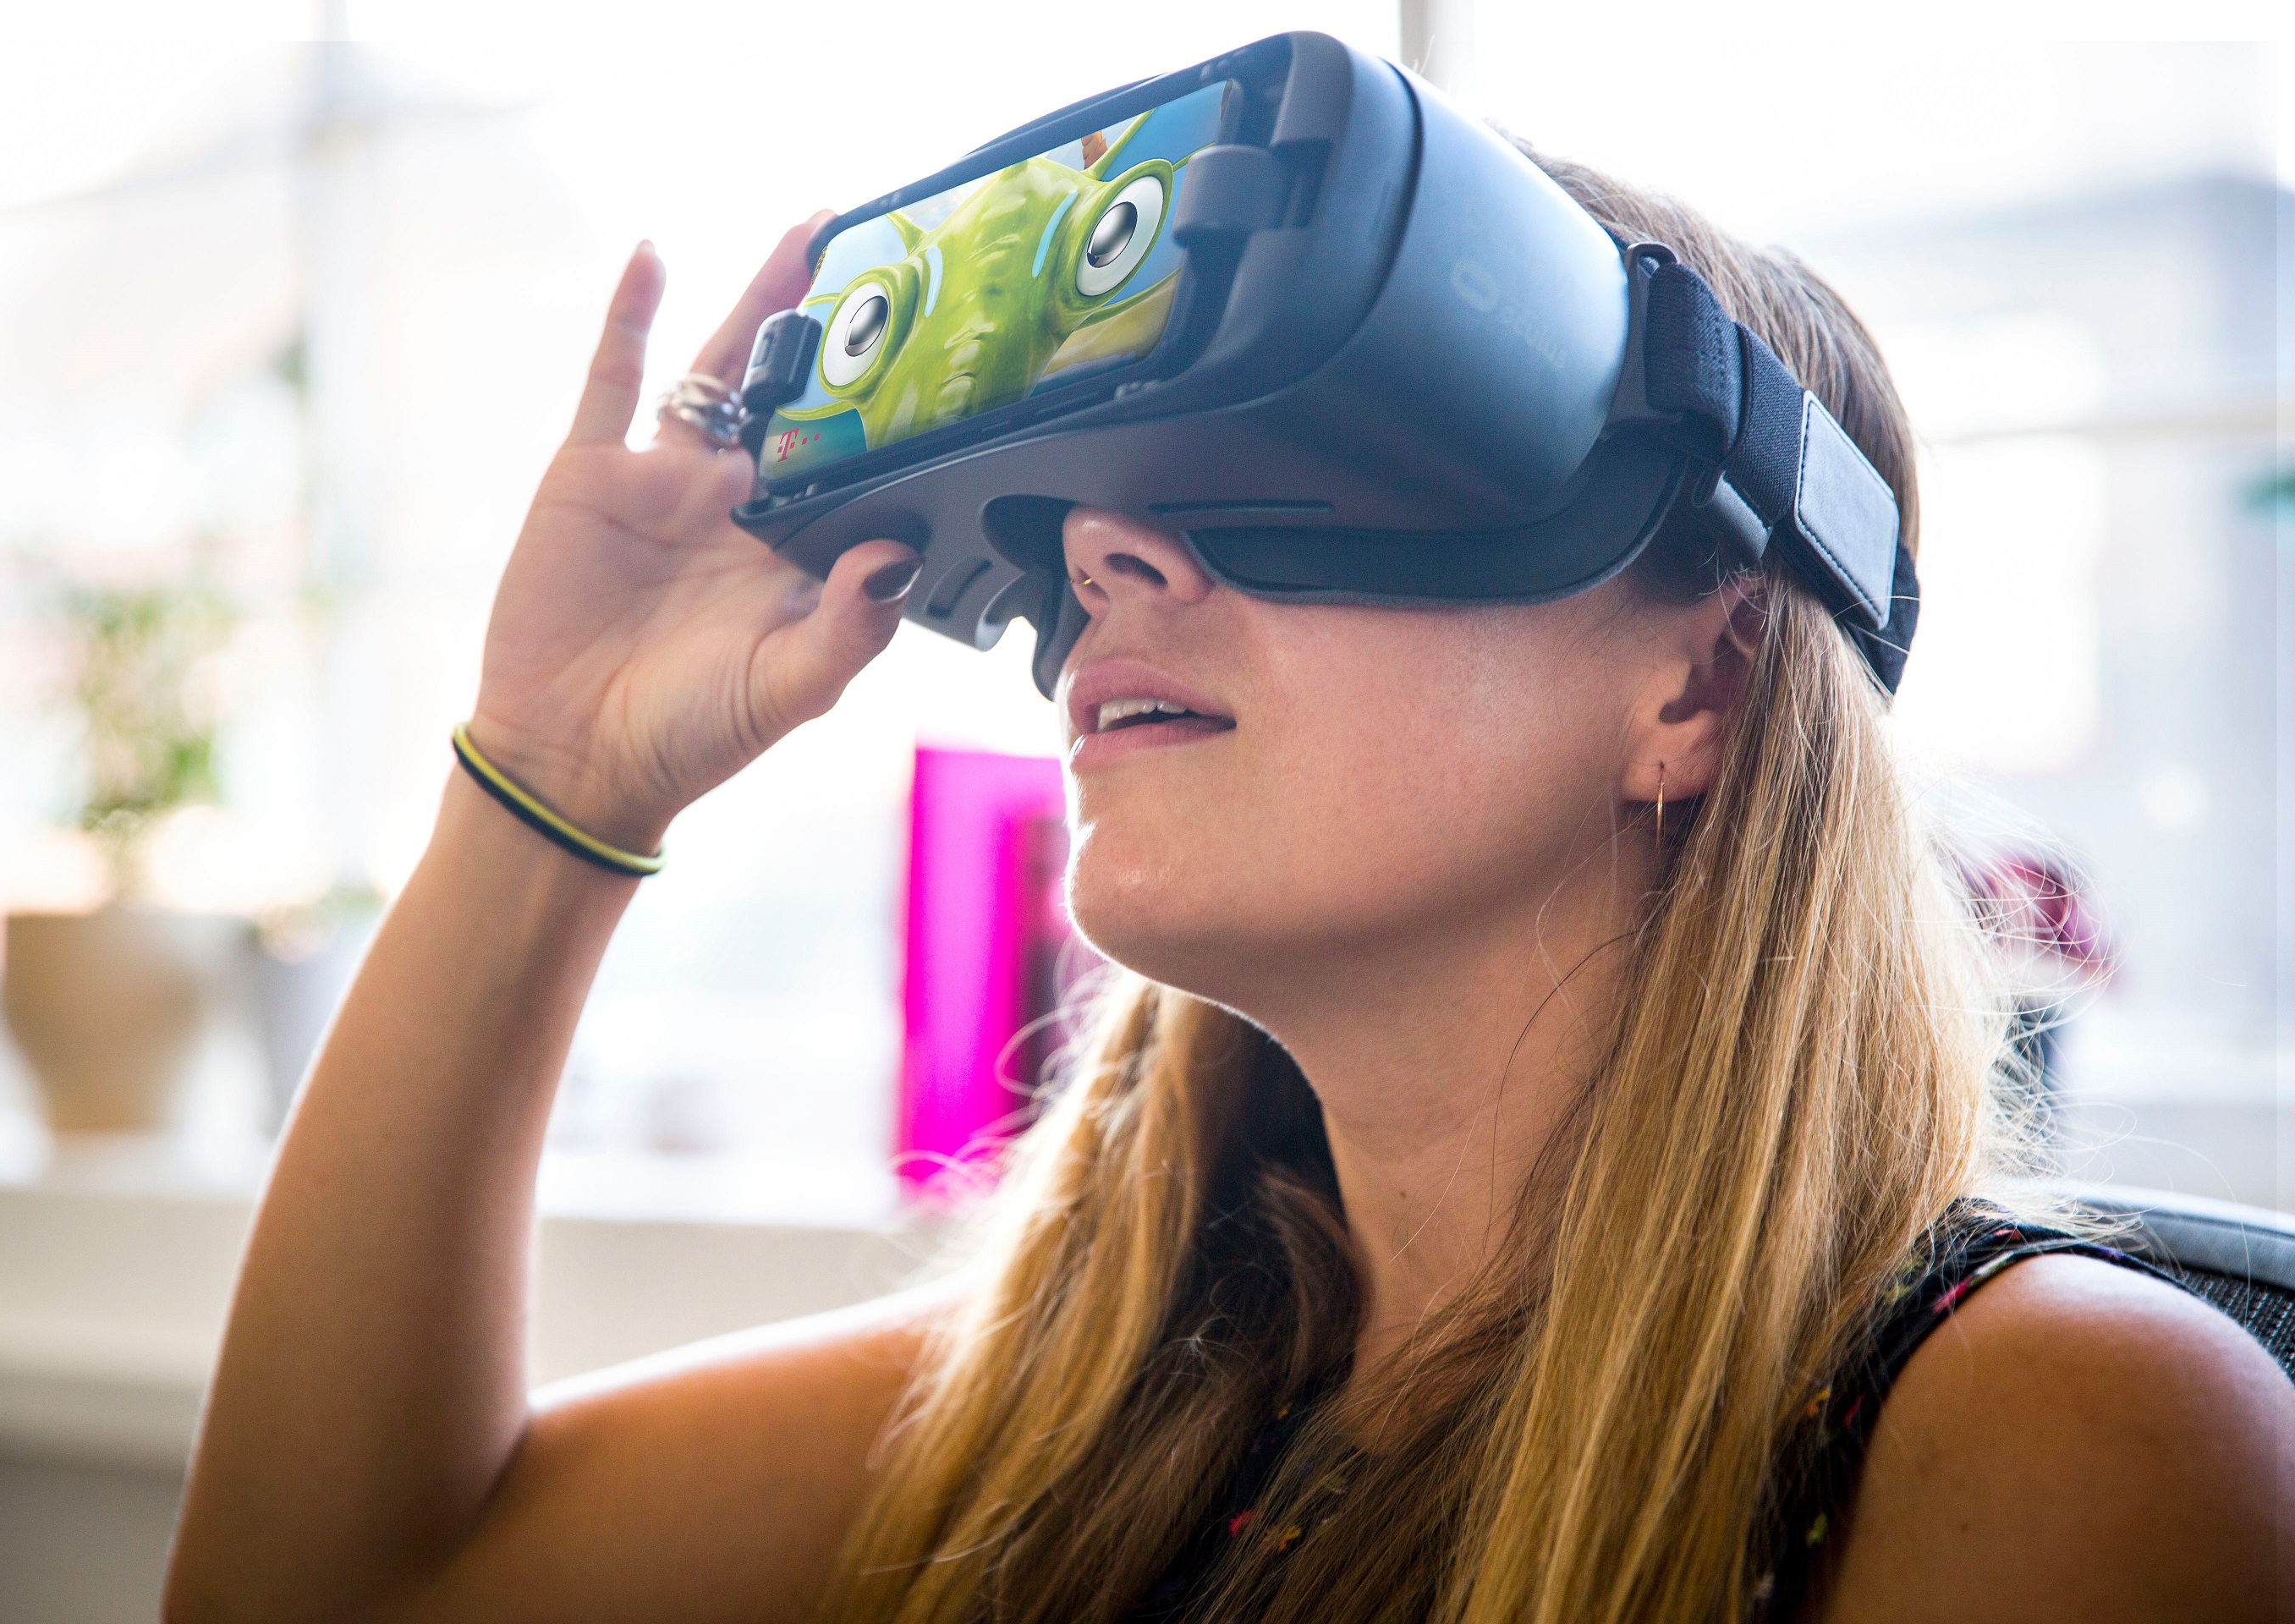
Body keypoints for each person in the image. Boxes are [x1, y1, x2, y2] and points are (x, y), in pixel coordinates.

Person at [162, 154, 2293, 1624]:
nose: (1104, 556)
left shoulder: (2058, 1434)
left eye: (1288, 462)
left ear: (1703, 684)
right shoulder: (1094, 1415)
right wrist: (548, 781)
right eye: (1091, 501)